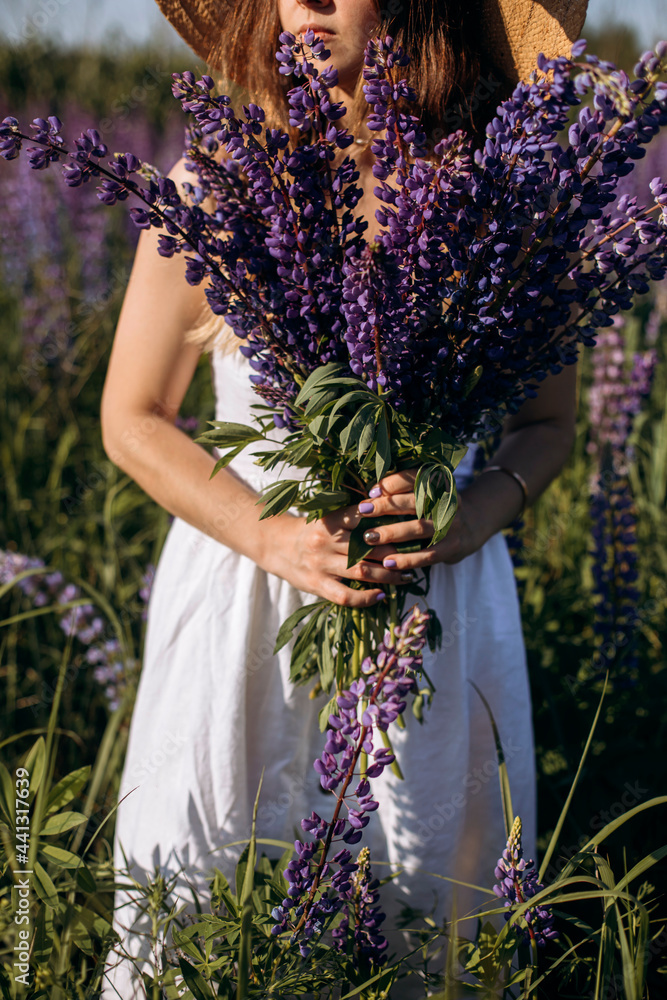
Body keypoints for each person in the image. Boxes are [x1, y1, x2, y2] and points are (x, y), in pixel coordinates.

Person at [100, 0, 588, 995]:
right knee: (212, 913)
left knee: (427, 923)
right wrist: (269, 533)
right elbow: (134, 417)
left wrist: (467, 515)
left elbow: (548, 426)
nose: (307, 2)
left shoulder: (500, 202)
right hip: (250, 601)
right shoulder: (220, 187)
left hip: (437, 606)